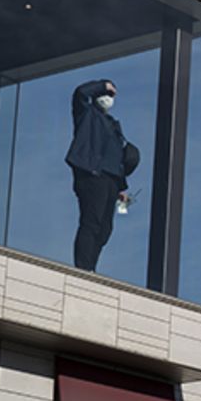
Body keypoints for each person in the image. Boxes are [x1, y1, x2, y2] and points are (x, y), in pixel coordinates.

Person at [65, 79, 134, 272]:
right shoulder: (87, 115)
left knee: (105, 229)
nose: (108, 98)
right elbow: (80, 93)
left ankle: (91, 267)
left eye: (112, 95)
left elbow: (114, 156)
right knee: (91, 221)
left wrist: (121, 188)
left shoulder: (113, 126)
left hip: (111, 181)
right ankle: (83, 268)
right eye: (107, 94)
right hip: (92, 175)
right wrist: (103, 85)